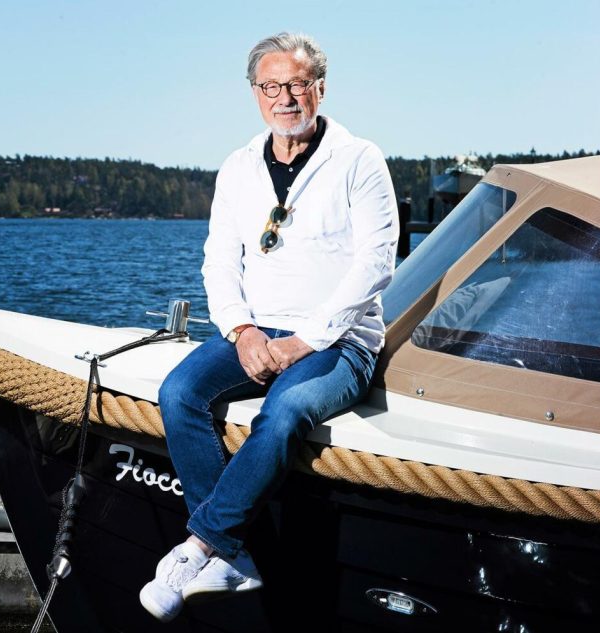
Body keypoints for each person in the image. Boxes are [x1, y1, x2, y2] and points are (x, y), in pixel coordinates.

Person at [139, 32, 398, 622]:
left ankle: (201, 546)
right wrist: (243, 332)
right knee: (178, 394)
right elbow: (219, 260)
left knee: (281, 414)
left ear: (320, 89)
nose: (285, 97)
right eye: (271, 86)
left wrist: (304, 342)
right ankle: (237, 556)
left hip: (340, 342)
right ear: (255, 93)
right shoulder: (237, 167)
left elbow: (377, 262)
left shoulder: (360, 160)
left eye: (297, 84)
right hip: (257, 330)